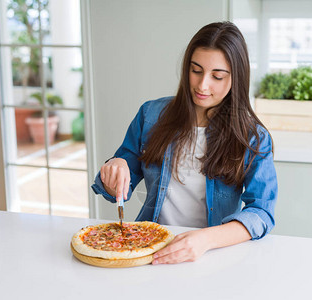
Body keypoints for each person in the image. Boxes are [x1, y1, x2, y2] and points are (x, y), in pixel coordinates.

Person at [91, 21, 277, 265]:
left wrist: (205, 240)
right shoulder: (150, 115)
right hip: (150, 249)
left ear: (236, 78)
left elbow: (262, 212)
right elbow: (115, 189)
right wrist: (115, 169)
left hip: (213, 255)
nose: (202, 85)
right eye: (196, 70)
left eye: (217, 76)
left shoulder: (253, 137)